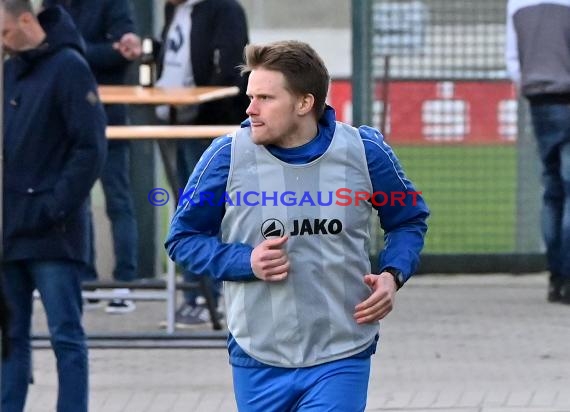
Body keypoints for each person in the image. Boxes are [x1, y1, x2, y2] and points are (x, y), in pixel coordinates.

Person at [165, 40, 429, 411]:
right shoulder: (227, 155)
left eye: (265, 99)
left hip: (341, 352)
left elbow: (409, 219)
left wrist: (392, 274)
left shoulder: (364, 151)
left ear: (304, 103)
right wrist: (247, 262)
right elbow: (183, 239)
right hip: (258, 353)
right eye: (250, 96)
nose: (250, 109)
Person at [1, 1, 107, 411]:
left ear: (27, 21)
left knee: (66, 335)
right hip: (8, 231)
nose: (2, 43)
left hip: (52, 232)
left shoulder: (69, 67)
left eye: (5, 33)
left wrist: (53, 206)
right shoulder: (10, 72)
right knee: (10, 339)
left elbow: (90, 148)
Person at [42, 0, 142, 314]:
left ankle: (125, 282)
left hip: (110, 118)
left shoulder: (113, 3)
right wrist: (100, 51)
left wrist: (80, 51)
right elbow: (52, 49)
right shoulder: (53, 4)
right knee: (76, 202)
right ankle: (86, 279)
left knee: (119, 201)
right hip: (66, 120)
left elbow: (122, 51)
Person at [156, 0, 249, 328]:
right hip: (179, 121)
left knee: (209, 213)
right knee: (186, 212)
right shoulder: (175, 11)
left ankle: (209, 296)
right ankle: (195, 296)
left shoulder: (225, 10)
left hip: (212, 125)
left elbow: (231, 72)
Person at [506, 0, 570, 304]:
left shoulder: (518, 3)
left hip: (540, 100)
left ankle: (556, 276)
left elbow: (513, 60)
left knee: (552, 189)